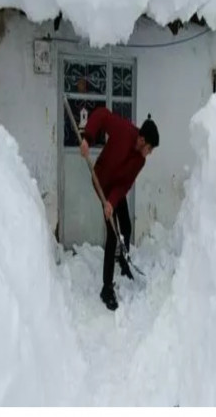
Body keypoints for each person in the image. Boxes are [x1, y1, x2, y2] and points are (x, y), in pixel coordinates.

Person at [79, 107, 159, 310]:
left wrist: (112, 202)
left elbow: (125, 184)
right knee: (113, 234)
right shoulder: (124, 130)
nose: (149, 154)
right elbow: (102, 115)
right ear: (142, 140)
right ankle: (106, 288)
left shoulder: (139, 160)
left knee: (126, 226)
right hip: (101, 181)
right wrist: (88, 138)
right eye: (149, 148)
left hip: (115, 189)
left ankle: (122, 260)